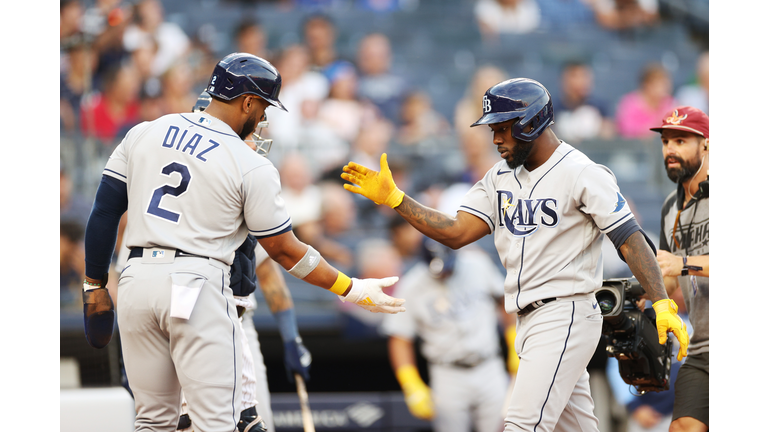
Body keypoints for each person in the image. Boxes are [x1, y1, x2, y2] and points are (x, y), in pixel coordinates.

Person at [340, 77, 689, 432]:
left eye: (503, 129)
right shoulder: (499, 177)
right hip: (528, 319)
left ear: (531, 123)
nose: (495, 139)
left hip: (564, 312)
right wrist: (398, 200)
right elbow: (457, 232)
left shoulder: (581, 172)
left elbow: (629, 237)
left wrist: (661, 301)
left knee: (521, 426)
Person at [82, 52, 405, 432]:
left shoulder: (146, 131)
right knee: (219, 424)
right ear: (248, 101)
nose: (264, 117)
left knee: (152, 422)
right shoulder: (249, 162)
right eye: (264, 107)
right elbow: (285, 251)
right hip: (196, 283)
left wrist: (94, 285)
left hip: (135, 281)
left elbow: (103, 213)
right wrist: (349, 287)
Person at [382, 236, 516, 432]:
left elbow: (505, 304)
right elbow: (400, 338)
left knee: (503, 428)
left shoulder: (477, 265)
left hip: (489, 366)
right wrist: (410, 383)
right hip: (447, 373)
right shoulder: (412, 285)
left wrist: (514, 344)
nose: (444, 273)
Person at [650, 106, 709, 432]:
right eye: (666, 141)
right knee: (683, 427)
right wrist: (646, 289)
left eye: (681, 140)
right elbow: (670, 277)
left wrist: (683, 263)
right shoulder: (670, 205)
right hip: (701, 349)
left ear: (706, 144)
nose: (670, 149)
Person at [551, 61, 614, 144]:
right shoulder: (552, 109)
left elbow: (609, 135)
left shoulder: (600, 106)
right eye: (575, 76)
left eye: (585, 76)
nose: (582, 81)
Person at [615, 63, 677, 140]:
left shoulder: (670, 104)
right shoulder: (629, 103)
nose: (664, 88)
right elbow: (625, 129)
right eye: (659, 84)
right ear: (647, 85)